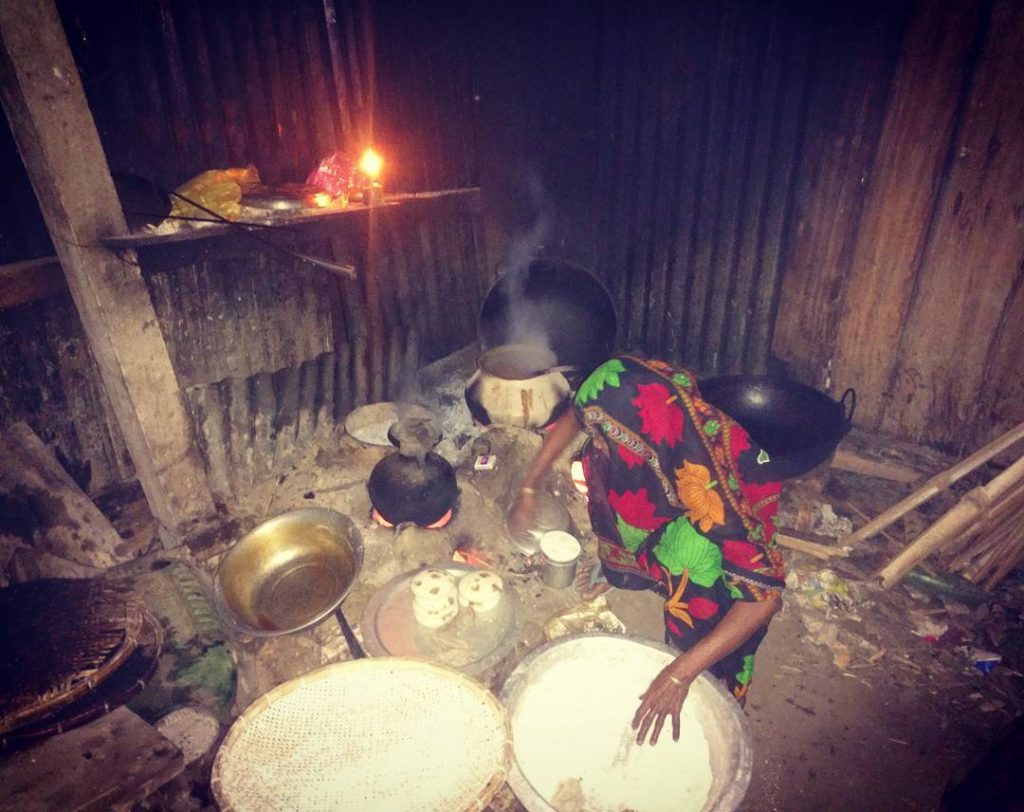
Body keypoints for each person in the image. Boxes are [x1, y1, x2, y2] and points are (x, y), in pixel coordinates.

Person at [510, 356, 785, 746]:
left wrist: (680, 673)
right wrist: (528, 486)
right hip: (664, 497)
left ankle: (704, 675)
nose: (598, 439)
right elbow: (577, 416)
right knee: (599, 466)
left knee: (694, 557)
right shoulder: (616, 388)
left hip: (711, 549)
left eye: (607, 434)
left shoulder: (713, 484)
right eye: (599, 430)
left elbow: (765, 598)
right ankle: (637, 568)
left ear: (653, 449)